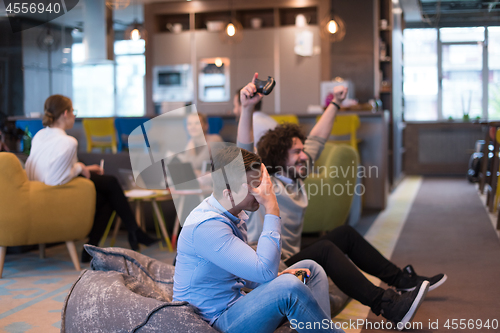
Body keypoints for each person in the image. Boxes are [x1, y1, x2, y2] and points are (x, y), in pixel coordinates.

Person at [237, 73, 445, 329]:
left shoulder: (295, 177)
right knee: (324, 250)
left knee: (344, 233)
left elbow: (318, 138)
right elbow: (243, 151)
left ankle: (402, 280)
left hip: (288, 259)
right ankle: (387, 305)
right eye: (297, 152)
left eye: (303, 151)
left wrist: (334, 103)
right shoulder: (266, 183)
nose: (304, 156)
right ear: (280, 159)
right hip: (266, 268)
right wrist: (247, 108)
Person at [173, 145, 344, 333]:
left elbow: (247, 274)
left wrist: (280, 278)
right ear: (228, 194)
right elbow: (264, 272)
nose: (262, 191)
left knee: (312, 270)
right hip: (215, 322)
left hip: (234, 307)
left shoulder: (230, 211)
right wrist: (272, 207)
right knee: (289, 287)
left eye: (260, 182)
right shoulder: (207, 228)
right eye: (253, 186)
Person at [25, 95, 159, 263]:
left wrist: (84, 168)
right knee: (110, 184)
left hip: (37, 194)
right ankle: (133, 232)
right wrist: (81, 168)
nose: (74, 115)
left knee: (107, 196)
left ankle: (94, 246)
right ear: (65, 113)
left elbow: (50, 169)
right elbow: (55, 178)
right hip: (57, 198)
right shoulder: (68, 142)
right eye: (73, 111)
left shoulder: (39, 136)